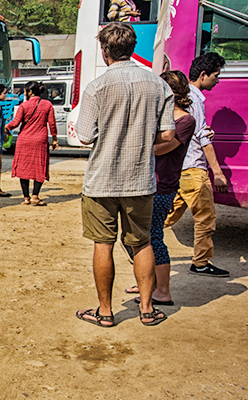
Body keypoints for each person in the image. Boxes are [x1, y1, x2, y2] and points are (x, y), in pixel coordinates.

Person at [74, 22, 174, 328]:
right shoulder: (159, 86)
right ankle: (147, 308)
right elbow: (168, 134)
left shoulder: (97, 87)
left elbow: (84, 135)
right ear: (132, 48)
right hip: (141, 180)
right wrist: (142, 142)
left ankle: (105, 311)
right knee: (141, 243)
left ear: (105, 52)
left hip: (101, 180)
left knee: (103, 244)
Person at [124, 70, 195, 305]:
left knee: (153, 237)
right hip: (144, 183)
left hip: (162, 186)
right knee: (133, 237)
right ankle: (147, 281)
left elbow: (161, 148)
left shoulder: (184, 120)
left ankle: (162, 291)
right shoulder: (158, 116)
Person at [164, 52, 229, 277]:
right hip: (194, 169)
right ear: (203, 75)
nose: (217, 80)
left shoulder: (181, 98)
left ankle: (140, 242)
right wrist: (218, 173)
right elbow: (203, 139)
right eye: (216, 75)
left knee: (166, 215)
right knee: (205, 219)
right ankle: (201, 261)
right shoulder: (195, 99)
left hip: (179, 169)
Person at [5, 80, 59, 206]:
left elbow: (15, 123)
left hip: (24, 140)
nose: (24, 93)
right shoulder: (47, 105)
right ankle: (35, 196)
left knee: (24, 169)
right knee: (39, 167)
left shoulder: (24, 106)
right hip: (40, 140)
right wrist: (55, 139)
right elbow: (52, 124)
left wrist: (6, 127)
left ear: (30, 92)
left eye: (25, 91)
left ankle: (26, 198)